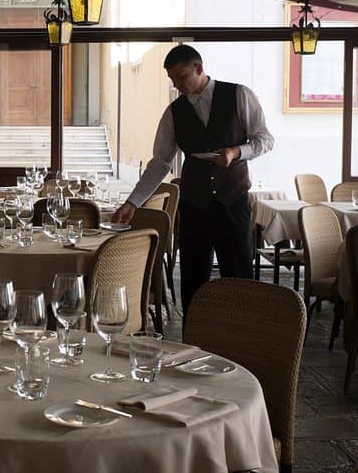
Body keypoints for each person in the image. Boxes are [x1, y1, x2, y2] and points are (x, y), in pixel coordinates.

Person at [111, 44, 274, 319]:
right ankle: (195, 345)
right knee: (193, 280)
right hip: (194, 205)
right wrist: (133, 202)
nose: (177, 84)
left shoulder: (238, 95)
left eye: (181, 76)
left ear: (199, 68)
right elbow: (160, 163)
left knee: (239, 277)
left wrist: (236, 152)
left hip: (232, 200)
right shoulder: (174, 112)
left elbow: (265, 139)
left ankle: (246, 342)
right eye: (172, 79)